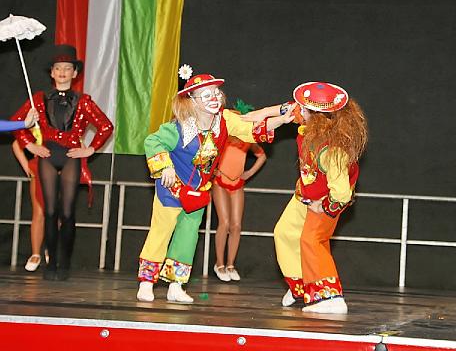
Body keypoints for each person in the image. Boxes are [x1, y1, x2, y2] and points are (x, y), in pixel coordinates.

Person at [136, 65, 295, 303]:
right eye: (206, 94)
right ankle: (147, 282)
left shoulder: (225, 121)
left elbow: (251, 129)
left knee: (188, 237)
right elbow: (153, 142)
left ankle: (176, 285)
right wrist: (165, 166)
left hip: (198, 192)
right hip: (172, 190)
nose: (214, 98)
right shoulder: (178, 128)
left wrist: (281, 120)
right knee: (161, 232)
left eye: (216, 92)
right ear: (192, 101)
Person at [244, 81, 367, 314]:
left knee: (312, 241)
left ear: (319, 117)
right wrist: (257, 115)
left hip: (326, 200)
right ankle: (301, 286)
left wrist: (326, 206)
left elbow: (342, 193)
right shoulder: (311, 120)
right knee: (284, 233)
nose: (299, 111)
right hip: (305, 194)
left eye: (304, 109)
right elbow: (285, 110)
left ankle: (330, 297)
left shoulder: (333, 150)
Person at [11, 44, 114, 281]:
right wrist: (30, 145)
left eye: (67, 68)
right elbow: (17, 123)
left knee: (66, 213)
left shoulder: (83, 101)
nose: (62, 72)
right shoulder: (39, 99)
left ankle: (64, 262)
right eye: (58, 68)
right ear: (52, 72)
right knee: (49, 211)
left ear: (74, 73)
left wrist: (90, 149)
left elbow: (106, 126)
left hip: (70, 157)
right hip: (48, 156)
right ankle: (51, 264)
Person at [212, 99, 267, 282]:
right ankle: (219, 264)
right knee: (224, 223)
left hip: (237, 184)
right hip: (220, 182)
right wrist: (214, 170)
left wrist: (249, 173)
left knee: (236, 225)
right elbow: (208, 152)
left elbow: (262, 156)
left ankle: (230, 264)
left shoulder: (247, 140)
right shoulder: (224, 137)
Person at [12, 139, 45, 272]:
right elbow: (17, 143)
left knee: (59, 213)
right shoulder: (38, 128)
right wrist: (27, 166)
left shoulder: (69, 128)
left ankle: (52, 249)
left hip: (62, 170)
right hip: (40, 170)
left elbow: (80, 143)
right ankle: (35, 253)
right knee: (39, 212)